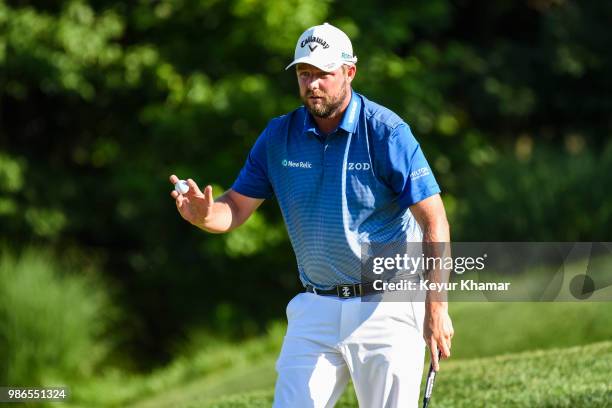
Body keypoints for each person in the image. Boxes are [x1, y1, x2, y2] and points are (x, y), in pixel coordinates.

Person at [170, 22, 454, 408]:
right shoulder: (278, 136)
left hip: (387, 306)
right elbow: (235, 208)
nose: (313, 84)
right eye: (305, 74)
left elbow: (434, 220)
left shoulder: (386, 133)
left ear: (349, 72)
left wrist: (436, 309)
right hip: (315, 308)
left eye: (323, 74)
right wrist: (204, 216)